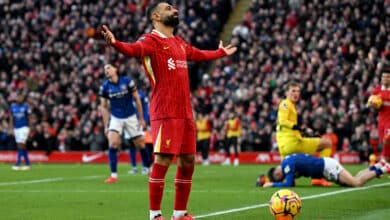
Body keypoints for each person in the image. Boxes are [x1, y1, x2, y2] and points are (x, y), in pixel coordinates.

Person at [101, 2, 237, 219]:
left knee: (188, 161)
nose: (175, 10)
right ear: (156, 16)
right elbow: (133, 49)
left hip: (185, 112)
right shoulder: (150, 41)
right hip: (165, 111)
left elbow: (198, 54)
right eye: (168, 8)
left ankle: (179, 213)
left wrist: (220, 53)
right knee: (163, 160)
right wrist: (116, 42)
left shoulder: (179, 42)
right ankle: (154, 215)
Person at [276, 81, 333, 186]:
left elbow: (285, 126)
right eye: (293, 91)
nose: (296, 93)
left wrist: (304, 130)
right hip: (293, 144)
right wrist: (301, 128)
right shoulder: (285, 103)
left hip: (283, 147)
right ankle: (318, 177)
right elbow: (283, 121)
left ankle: (267, 181)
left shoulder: (290, 106)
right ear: (286, 93)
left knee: (290, 181)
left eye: (298, 91)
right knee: (327, 143)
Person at [99, 63, 146, 183]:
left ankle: (149, 168)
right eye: (105, 69)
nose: (106, 70)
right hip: (116, 118)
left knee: (140, 144)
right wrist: (106, 126)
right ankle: (113, 175)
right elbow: (103, 107)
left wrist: (141, 118)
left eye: (108, 68)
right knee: (113, 143)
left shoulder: (127, 82)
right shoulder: (104, 87)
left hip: (131, 117)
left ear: (116, 69)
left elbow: (137, 99)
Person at [262, 153, 390, 188]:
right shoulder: (287, 161)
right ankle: (378, 166)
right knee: (354, 179)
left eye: (280, 177)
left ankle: (384, 168)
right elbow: (293, 182)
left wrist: (272, 184)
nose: (282, 177)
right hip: (326, 168)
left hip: (327, 167)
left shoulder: (287, 165)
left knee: (356, 183)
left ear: (277, 173)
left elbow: (289, 183)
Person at [367, 63, 390, 162]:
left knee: (387, 139)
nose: (385, 79)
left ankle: (384, 160)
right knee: (383, 142)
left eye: (387, 77)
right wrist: (372, 105)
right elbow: (369, 103)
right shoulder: (378, 90)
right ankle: (386, 162)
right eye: (383, 77)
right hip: (381, 121)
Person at [128, 89, 152, 175]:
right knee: (131, 144)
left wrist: (145, 120)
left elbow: (146, 108)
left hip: (140, 122)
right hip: (129, 121)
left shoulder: (141, 94)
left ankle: (145, 166)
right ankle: (134, 167)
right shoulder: (127, 93)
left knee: (142, 144)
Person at [9, 93, 31, 170]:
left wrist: (30, 128)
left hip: (24, 127)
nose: (20, 99)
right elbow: (11, 118)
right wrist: (11, 129)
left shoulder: (26, 106)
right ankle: (27, 163)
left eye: (21, 97)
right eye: (19, 97)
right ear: (17, 98)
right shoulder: (13, 107)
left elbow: (29, 118)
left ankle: (17, 164)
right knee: (22, 145)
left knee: (20, 144)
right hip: (16, 128)